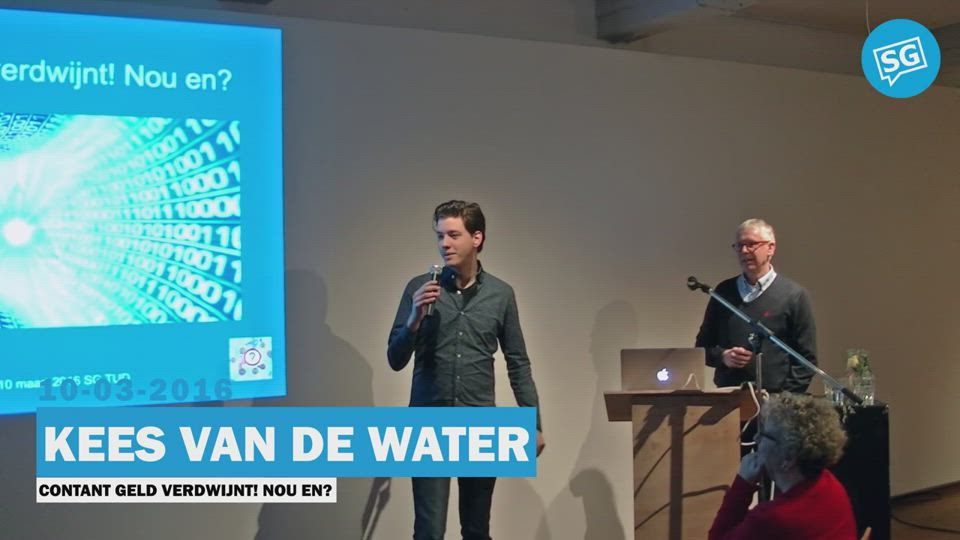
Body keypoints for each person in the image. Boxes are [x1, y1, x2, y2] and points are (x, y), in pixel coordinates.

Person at [387, 200, 545, 540]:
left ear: (477, 237)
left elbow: (518, 362)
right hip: (428, 424)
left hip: (480, 423)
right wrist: (414, 319)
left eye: (453, 235)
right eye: (440, 236)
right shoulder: (419, 289)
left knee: (476, 530)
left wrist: (533, 423)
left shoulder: (501, 295)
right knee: (429, 531)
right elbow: (395, 359)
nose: (444, 243)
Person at [708, 392, 858, 539]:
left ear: (789, 458)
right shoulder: (830, 483)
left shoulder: (773, 518)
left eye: (764, 434)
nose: (756, 438)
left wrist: (743, 484)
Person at [695, 218, 817, 393]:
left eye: (751, 244)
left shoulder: (794, 295)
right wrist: (723, 356)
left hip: (776, 399)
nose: (744, 251)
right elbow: (701, 348)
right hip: (729, 399)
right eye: (739, 246)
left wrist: (785, 398)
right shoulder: (724, 292)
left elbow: (806, 359)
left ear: (770, 248)